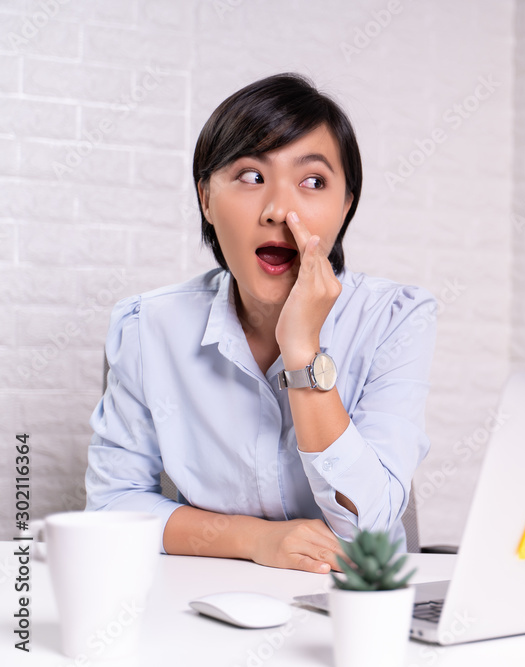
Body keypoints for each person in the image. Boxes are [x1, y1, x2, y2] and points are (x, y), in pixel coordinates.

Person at [86, 73, 436, 574]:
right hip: (206, 599)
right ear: (206, 198)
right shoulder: (148, 325)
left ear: (345, 206)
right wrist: (256, 540)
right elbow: (112, 506)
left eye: (313, 182)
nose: (278, 211)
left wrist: (303, 351)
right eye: (251, 176)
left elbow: (369, 531)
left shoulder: (395, 318)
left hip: (358, 607)